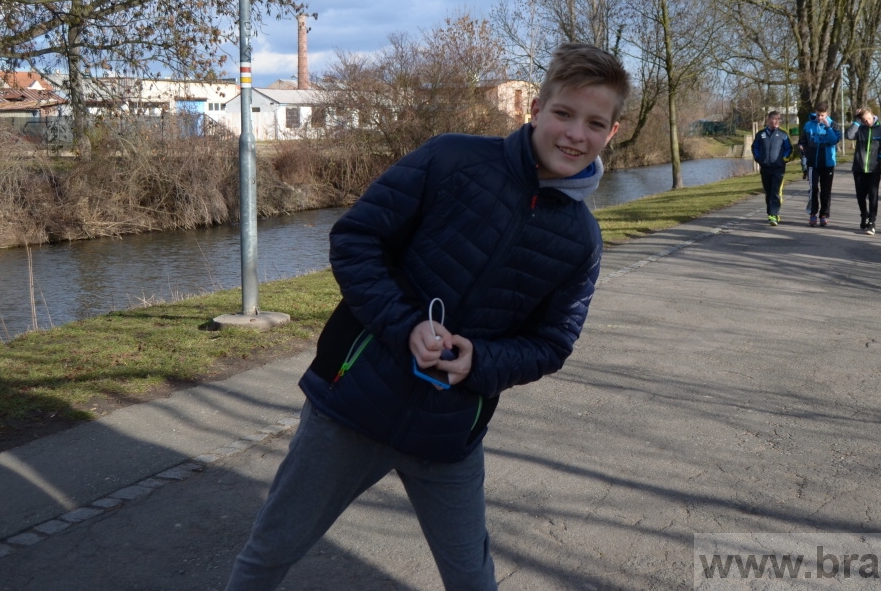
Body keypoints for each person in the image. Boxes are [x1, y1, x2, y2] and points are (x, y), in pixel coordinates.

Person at [224, 43, 629, 591]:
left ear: (613, 131)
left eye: (594, 123)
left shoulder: (582, 239)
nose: (575, 134)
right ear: (534, 109)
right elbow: (355, 239)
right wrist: (405, 324)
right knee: (268, 554)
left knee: (472, 581)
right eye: (563, 113)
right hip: (351, 409)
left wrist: (480, 361)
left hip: (449, 432)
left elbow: (553, 342)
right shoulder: (452, 158)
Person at [845, 107, 881, 235]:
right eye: (864, 120)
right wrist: (856, 120)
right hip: (859, 168)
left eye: (869, 119)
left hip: (874, 169)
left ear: (873, 116)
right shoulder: (860, 129)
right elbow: (849, 135)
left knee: (873, 195)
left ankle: (872, 221)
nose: (867, 122)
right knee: (860, 196)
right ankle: (864, 215)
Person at [801, 102, 841, 227]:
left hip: (827, 163)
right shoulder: (808, 125)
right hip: (812, 163)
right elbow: (803, 141)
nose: (819, 118)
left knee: (826, 190)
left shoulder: (834, 125)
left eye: (822, 115)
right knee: (813, 189)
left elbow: (834, 140)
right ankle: (813, 214)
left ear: (826, 113)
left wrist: (827, 126)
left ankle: (824, 215)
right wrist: (803, 149)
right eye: (818, 115)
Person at [751, 110, 793, 226]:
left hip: (778, 167)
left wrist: (784, 158)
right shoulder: (761, 134)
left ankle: (774, 214)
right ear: (769, 120)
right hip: (765, 167)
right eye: (774, 119)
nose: (777, 121)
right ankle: (770, 213)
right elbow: (755, 148)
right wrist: (759, 158)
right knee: (768, 191)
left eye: (779, 119)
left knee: (775, 190)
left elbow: (789, 149)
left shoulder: (783, 134)